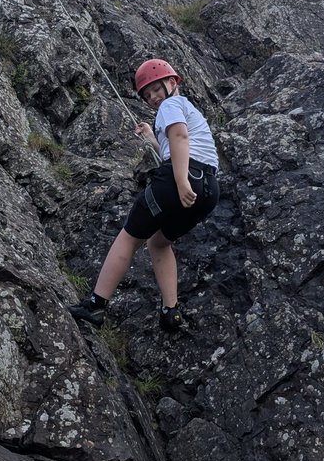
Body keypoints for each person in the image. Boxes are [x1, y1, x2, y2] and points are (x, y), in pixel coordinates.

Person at [69, 58, 220, 332]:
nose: (153, 98)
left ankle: (95, 305)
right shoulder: (187, 109)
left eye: (156, 90)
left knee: (129, 237)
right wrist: (152, 138)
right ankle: (170, 312)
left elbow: (180, 139)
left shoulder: (172, 104)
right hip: (209, 189)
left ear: (172, 83)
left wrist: (181, 181)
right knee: (159, 242)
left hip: (183, 178)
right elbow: (174, 144)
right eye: (147, 95)